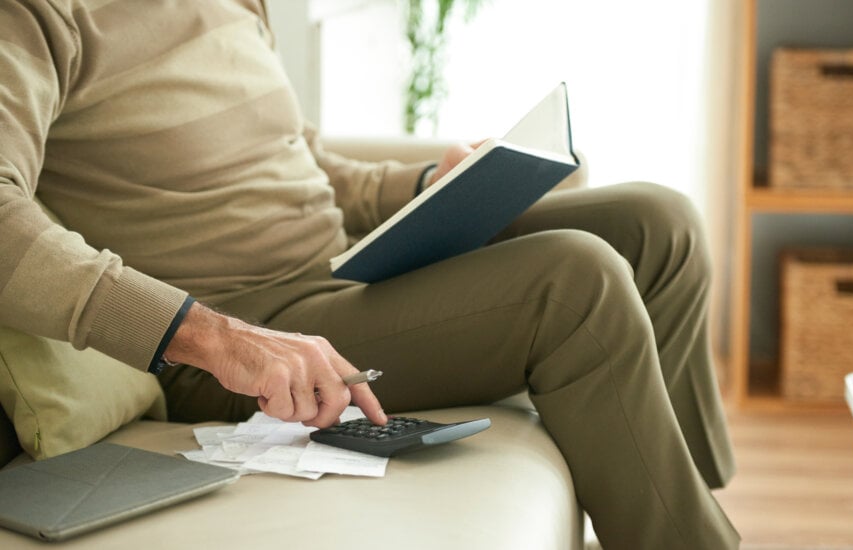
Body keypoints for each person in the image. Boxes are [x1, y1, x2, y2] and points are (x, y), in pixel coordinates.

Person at [0, 1, 739, 548]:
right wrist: (212, 336)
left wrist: (422, 185)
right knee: (574, 283)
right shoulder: (40, 15)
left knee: (659, 223)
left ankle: (686, 503)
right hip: (236, 339)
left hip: (340, 269)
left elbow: (299, 159)